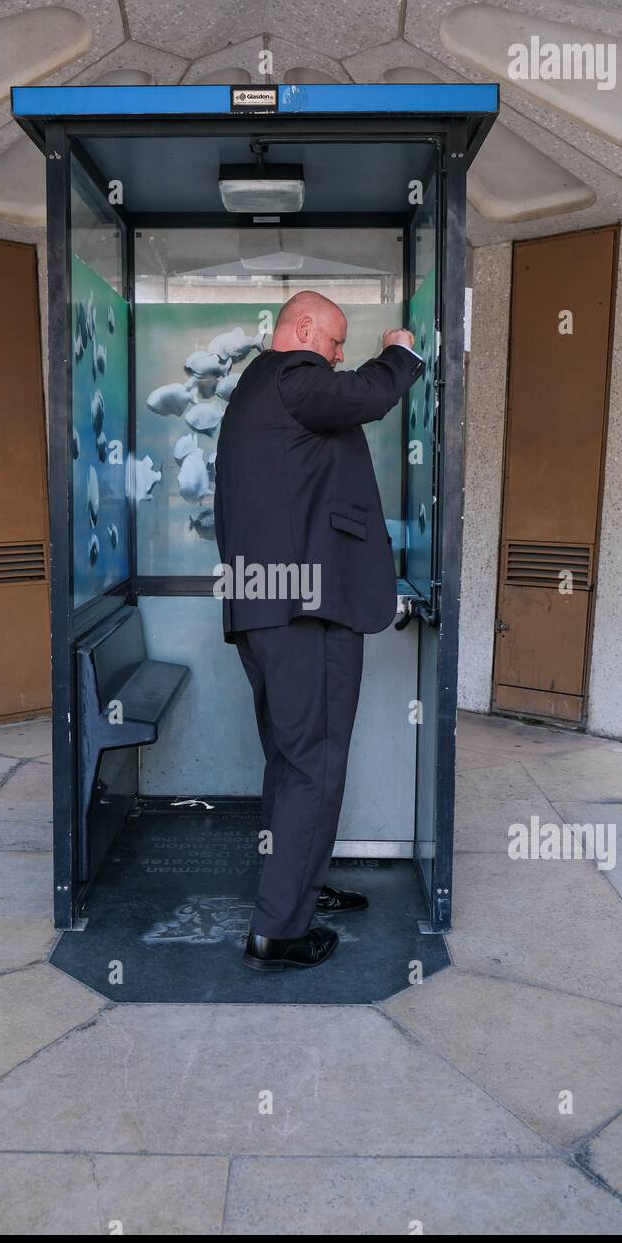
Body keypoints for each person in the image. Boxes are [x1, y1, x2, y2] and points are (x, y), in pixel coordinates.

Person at [213, 290, 423, 972]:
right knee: (314, 765)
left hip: (268, 610)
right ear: (303, 331)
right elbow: (364, 393)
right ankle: (278, 932)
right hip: (305, 613)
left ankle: (295, 886)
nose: (338, 355)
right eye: (334, 341)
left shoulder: (255, 391)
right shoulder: (293, 378)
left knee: (290, 760)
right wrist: (401, 351)